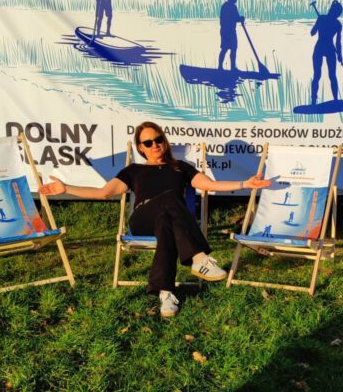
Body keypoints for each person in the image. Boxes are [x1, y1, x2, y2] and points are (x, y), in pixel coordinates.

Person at [40, 121, 271, 317]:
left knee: (166, 226)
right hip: (142, 220)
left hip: (169, 220)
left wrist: (245, 183)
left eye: (158, 139)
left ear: (164, 140)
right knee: (170, 199)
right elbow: (104, 193)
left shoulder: (181, 167)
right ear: (141, 148)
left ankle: (166, 294)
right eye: (148, 143)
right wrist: (66, 188)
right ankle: (199, 259)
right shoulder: (133, 170)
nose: (155, 145)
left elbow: (210, 185)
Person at [310, 0, 343, 106]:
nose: (336, 15)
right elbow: (312, 32)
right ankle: (313, 101)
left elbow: (338, 42)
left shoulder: (336, 24)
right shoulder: (323, 19)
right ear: (332, 10)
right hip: (320, 48)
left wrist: (340, 55)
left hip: (329, 49)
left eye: (337, 14)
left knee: (332, 76)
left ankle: (335, 100)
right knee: (317, 75)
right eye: (335, 12)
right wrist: (317, 25)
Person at [218, 0, 244, 71]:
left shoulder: (230, 6)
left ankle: (232, 67)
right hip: (227, 31)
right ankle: (220, 67)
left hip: (230, 31)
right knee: (225, 48)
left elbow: (236, 18)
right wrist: (240, 19)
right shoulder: (228, 6)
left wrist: (240, 18)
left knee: (233, 49)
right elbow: (232, 19)